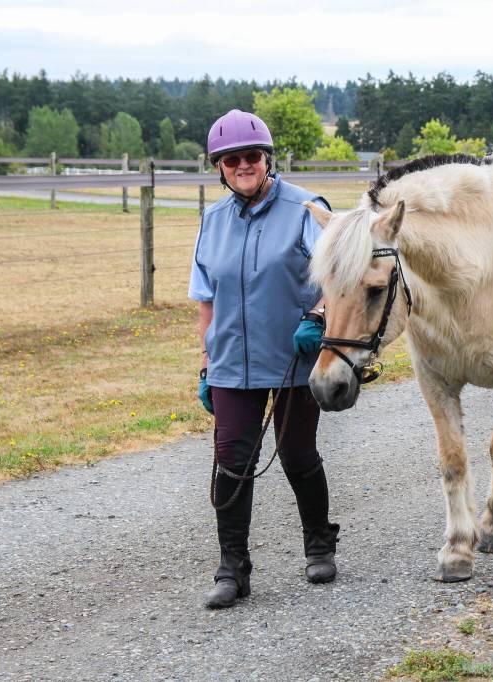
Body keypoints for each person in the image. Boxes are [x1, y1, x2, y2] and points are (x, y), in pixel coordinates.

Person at [188, 109, 336, 609]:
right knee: (230, 464)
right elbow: (206, 297)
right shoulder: (212, 221)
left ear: (267, 159)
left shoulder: (304, 209)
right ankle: (233, 569)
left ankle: (319, 543)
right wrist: (207, 363)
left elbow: (339, 277)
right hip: (231, 361)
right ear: (220, 167)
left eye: (251, 156)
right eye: (232, 160)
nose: (243, 165)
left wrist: (317, 317)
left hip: (294, 355)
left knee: (296, 457)